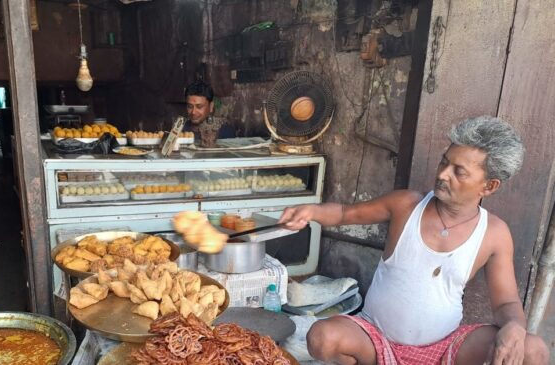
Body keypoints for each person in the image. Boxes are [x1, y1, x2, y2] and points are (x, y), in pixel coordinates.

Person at [279, 116, 549, 364]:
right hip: (377, 341)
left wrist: (514, 326)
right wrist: (311, 211)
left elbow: (506, 304)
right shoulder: (407, 205)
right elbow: (343, 213)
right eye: (444, 162)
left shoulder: (494, 233)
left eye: (459, 171)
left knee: (533, 349)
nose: (443, 174)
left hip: (446, 348)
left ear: (488, 186)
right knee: (322, 337)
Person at [183, 80, 235, 147]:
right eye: (190, 106)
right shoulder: (180, 131)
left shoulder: (224, 131)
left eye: (199, 107)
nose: (193, 112)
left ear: (211, 106)